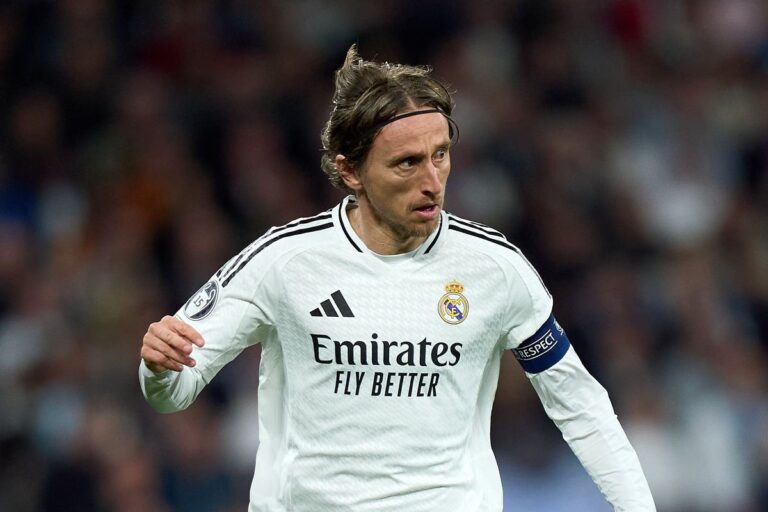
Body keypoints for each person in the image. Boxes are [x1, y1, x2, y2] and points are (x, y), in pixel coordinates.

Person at [139, 45, 656, 512]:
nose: (433, 182)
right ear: (351, 171)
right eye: (407, 163)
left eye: (440, 155)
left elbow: (581, 408)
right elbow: (172, 391)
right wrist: (158, 367)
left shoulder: (495, 268)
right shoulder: (285, 261)